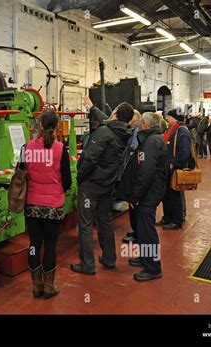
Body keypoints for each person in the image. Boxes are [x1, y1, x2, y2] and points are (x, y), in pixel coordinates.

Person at [70, 101, 133, 275]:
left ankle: (87, 265)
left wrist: (80, 177)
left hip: (91, 185)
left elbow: (89, 159)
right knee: (105, 221)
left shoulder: (104, 132)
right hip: (107, 184)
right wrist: (92, 107)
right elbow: (107, 121)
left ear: (116, 113)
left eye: (113, 110)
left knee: (85, 223)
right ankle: (109, 258)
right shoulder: (122, 132)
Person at [24, 108, 72, 299]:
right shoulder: (61, 150)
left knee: (34, 244)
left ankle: (36, 286)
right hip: (53, 206)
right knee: (51, 246)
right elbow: (67, 181)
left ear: (40, 125)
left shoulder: (27, 148)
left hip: (33, 204)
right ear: (57, 125)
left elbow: (20, 174)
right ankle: (49, 287)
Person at [117, 112, 168, 281]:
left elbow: (146, 171)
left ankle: (153, 267)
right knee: (142, 229)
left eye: (140, 124)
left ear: (145, 125)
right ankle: (146, 257)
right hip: (148, 193)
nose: (138, 126)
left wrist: (136, 195)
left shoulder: (152, 142)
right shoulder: (152, 139)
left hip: (148, 194)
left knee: (147, 230)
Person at [156, 109, 192, 230]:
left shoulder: (182, 132)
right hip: (168, 169)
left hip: (175, 169)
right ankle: (167, 217)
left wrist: (173, 164)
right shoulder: (172, 130)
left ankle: (176, 220)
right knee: (166, 195)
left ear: (175, 119)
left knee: (174, 195)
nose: (167, 119)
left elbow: (184, 152)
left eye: (169, 117)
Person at [122, 109, 142, 245]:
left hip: (134, 173)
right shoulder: (134, 132)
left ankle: (137, 234)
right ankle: (135, 231)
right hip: (132, 172)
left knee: (136, 206)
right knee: (133, 205)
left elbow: (132, 150)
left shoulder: (137, 134)